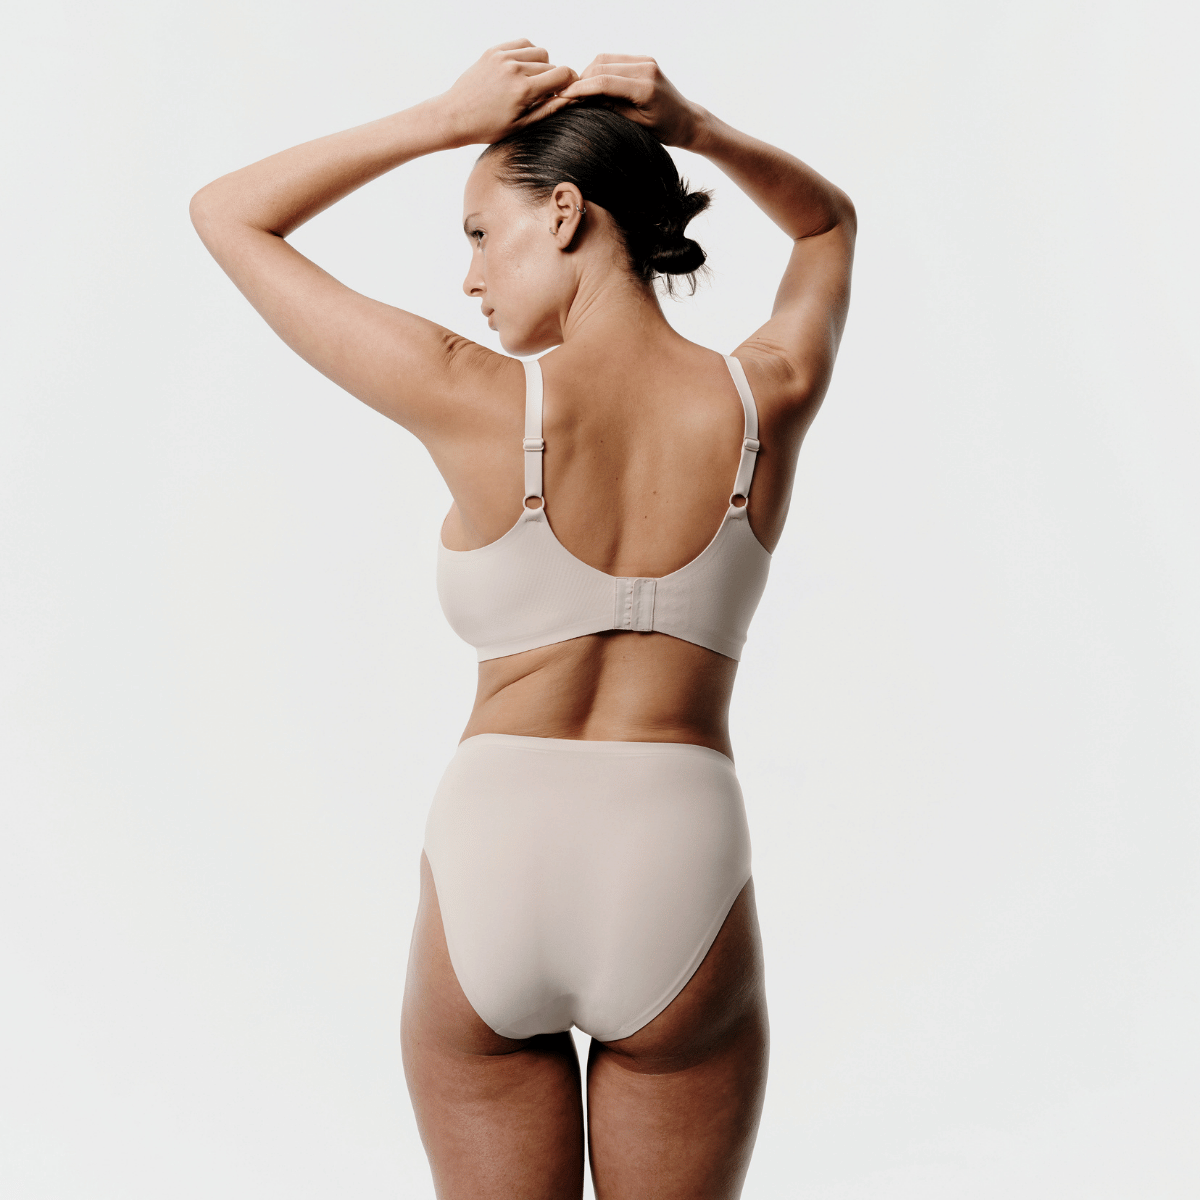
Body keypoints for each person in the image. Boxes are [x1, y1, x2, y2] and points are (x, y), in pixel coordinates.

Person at [190, 38, 855, 1200]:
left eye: (477, 233)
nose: (469, 279)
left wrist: (443, 118)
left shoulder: (471, 394)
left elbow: (227, 213)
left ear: (563, 213)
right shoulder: (768, 397)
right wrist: (698, 128)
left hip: (498, 852)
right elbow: (828, 226)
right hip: (678, 853)